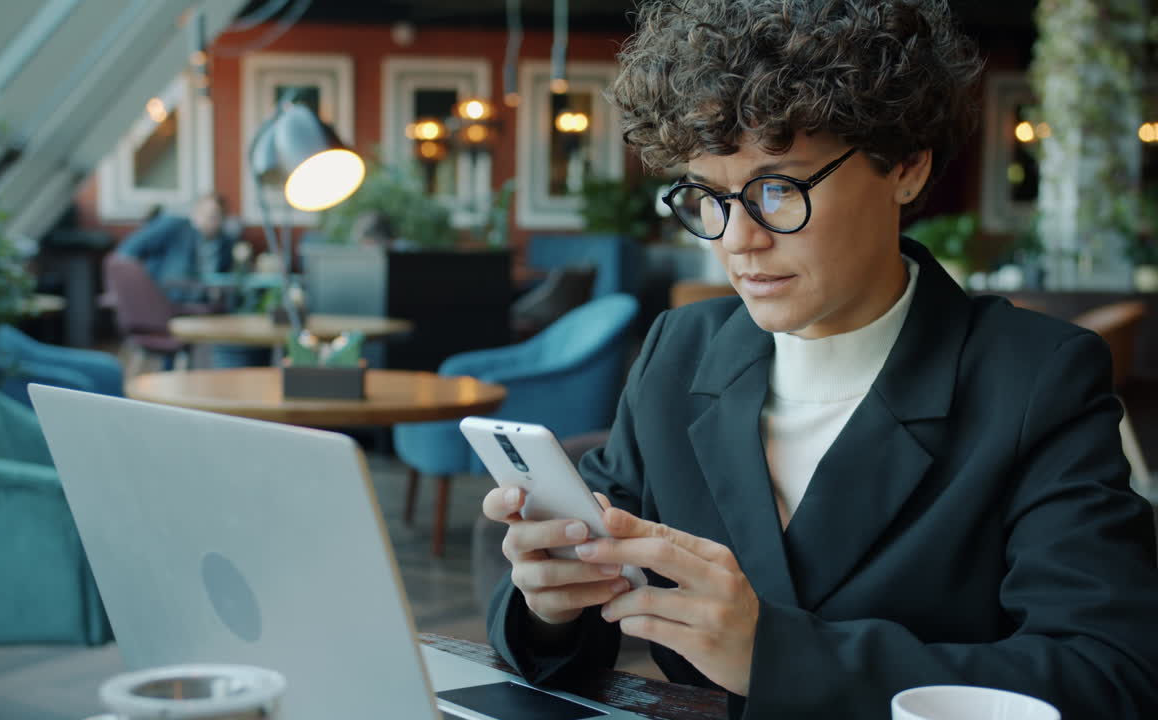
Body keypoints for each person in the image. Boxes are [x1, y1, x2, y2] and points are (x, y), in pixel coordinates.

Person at [481, 1, 1158, 718]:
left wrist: (778, 656)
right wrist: (551, 601)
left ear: (905, 165)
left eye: (778, 188)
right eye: (707, 195)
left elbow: (1109, 676)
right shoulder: (679, 353)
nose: (737, 239)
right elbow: (573, 637)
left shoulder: (1033, 379)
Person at [115, 193, 235, 304]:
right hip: (168, 298)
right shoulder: (174, 226)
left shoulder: (226, 243)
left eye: (218, 216)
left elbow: (224, 278)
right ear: (195, 213)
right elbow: (129, 249)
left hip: (203, 303)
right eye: (208, 214)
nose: (212, 220)